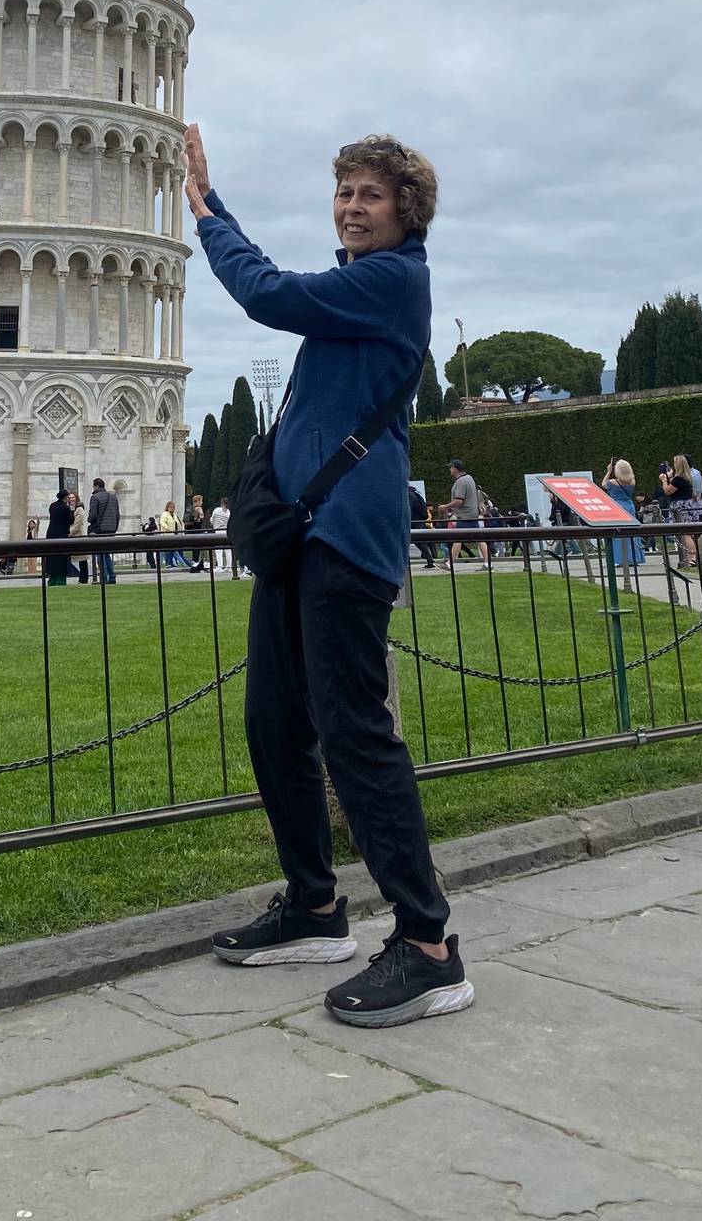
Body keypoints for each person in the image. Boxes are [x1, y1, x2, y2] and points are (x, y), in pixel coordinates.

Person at [188, 124, 471, 1029]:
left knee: (356, 736)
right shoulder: (355, 291)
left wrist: (209, 213)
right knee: (274, 724)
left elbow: (268, 294)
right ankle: (314, 907)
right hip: (299, 537)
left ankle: (429, 946)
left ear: (407, 211)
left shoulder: (393, 282)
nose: (351, 207)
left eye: (370, 194)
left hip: (346, 539)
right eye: (344, 191)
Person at [601, 458, 645, 573]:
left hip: (617, 507)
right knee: (631, 531)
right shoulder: (632, 482)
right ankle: (635, 558)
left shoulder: (612, 482)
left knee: (617, 532)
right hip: (629, 506)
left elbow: (603, 484)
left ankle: (619, 558)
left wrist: (608, 472)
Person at [439, 459, 481, 565]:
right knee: (480, 539)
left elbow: (459, 500)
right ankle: (487, 563)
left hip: (465, 515)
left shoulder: (461, 481)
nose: (450, 469)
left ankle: (450, 564)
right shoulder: (469, 478)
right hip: (472, 513)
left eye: (451, 467)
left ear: (455, 468)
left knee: (457, 539)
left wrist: (445, 507)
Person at [87, 478, 120, 585]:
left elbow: (93, 515)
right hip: (111, 529)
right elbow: (117, 515)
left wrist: (89, 520)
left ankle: (104, 577)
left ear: (96, 486)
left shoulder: (95, 497)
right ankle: (112, 576)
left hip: (99, 529)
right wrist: (114, 527)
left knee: (100, 554)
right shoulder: (113, 497)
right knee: (106, 554)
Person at [44, 489, 73, 584]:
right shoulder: (66, 508)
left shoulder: (52, 506)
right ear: (66, 497)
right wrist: (72, 510)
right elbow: (70, 521)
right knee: (61, 558)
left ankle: (52, 578)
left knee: (52, 557)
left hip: (51, 533)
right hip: (62, 534)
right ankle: (60, 579)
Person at [408, 484, 435, 570]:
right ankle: (430, 560)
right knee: (419, 542)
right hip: (419, 521)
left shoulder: (408, 495)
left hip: (412, 522)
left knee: (415, 542)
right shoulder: (416, 495)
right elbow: (423, 510)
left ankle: (429, 560)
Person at [67, 492, 89, 582]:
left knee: (82, 558)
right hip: (73, 536)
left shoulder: (79, 509)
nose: (71, 499)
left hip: (78, 536)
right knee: (80, 559)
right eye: (69, 498)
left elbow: (77, 525)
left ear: (76, 498)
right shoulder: (70, 508)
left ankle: (84, 577)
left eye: (73, 497)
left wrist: (69, 533)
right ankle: (82, 577)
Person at [209, 496, 231, 573]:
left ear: (222, 503)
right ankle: (229, 567)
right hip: (226, 531)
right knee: (228, 550)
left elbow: (212, 520)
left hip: (218, 531)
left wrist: (213, 523)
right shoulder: (228, 512)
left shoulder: (217, 510)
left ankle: (219, 567)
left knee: (218, 550)